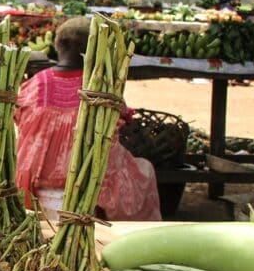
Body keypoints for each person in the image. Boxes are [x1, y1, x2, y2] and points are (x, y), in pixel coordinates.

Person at [14, 16, 162, 221]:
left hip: (33, 186)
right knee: (145, 168)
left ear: (58, 45)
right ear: (96, 50)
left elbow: (19, 120)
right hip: (90, 188)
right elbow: (124, 120)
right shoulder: (104, 89)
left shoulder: (34, 84)